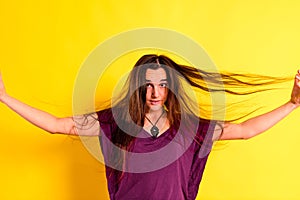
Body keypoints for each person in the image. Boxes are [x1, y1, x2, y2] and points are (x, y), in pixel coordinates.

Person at [0, 54, 299, 200]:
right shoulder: (115, 126)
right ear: (138, 87)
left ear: (170, 89)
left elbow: (245, 130)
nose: (155, 92)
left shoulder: (189, 129)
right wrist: (4, 97)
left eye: (162, 85)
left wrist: (292, 104)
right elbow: (56, 125)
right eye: (148, 85)